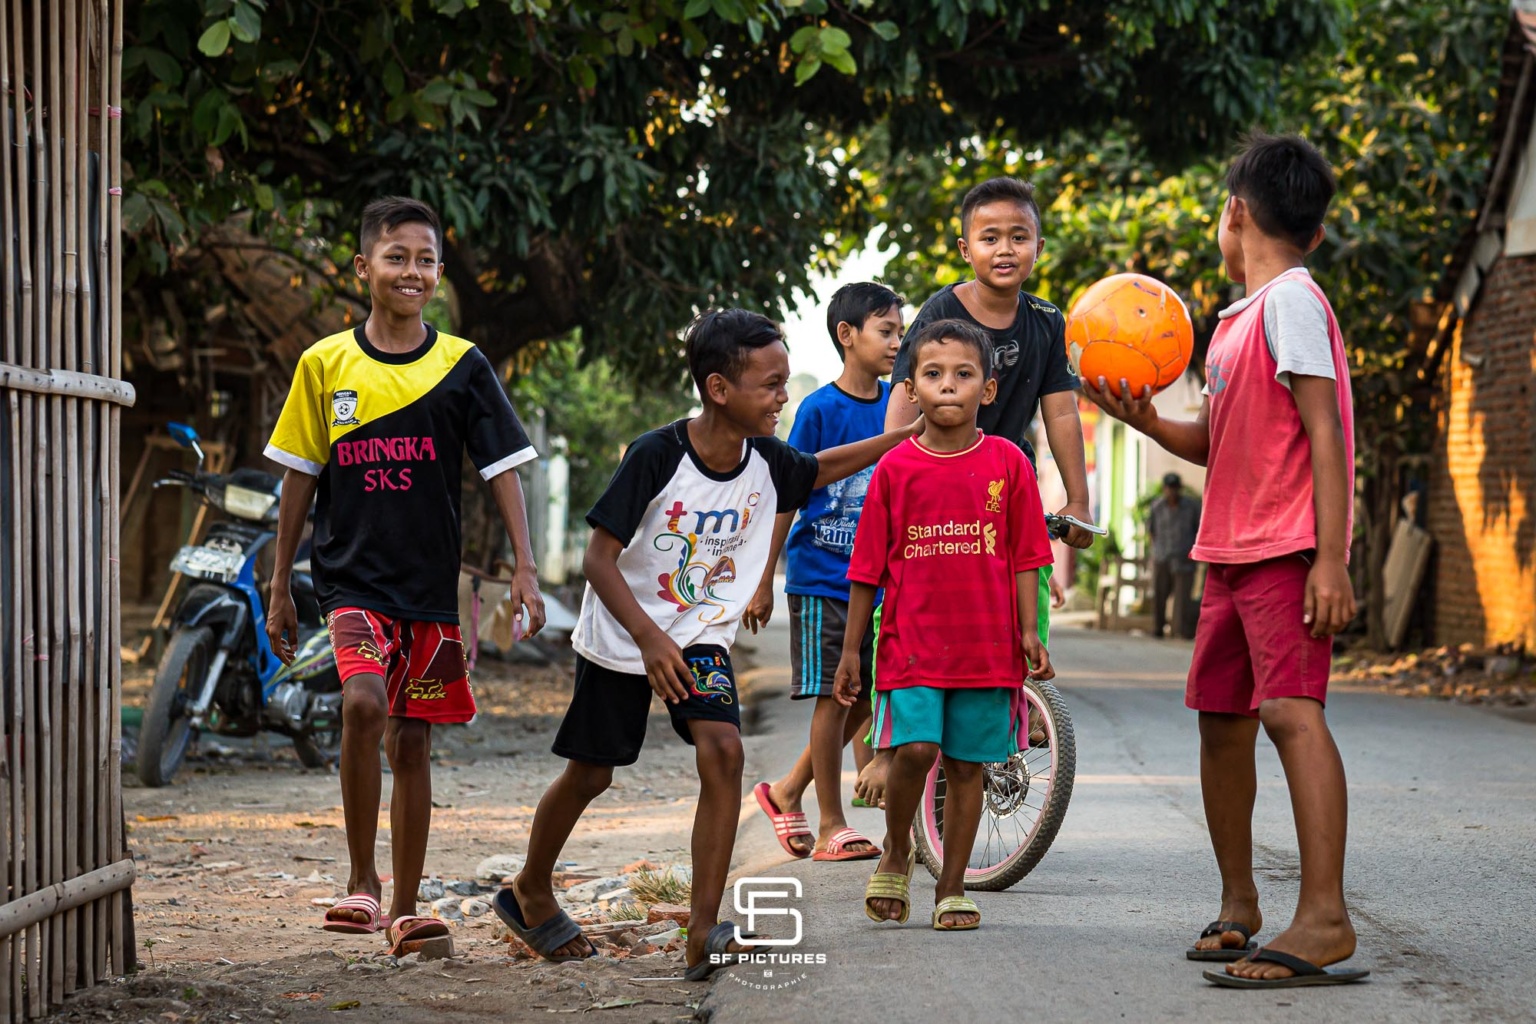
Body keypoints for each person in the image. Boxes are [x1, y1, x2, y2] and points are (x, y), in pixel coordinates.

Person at [501, 309, 922, 979]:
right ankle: (530, 887)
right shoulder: (657, 455)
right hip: (623, 634)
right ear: (720, 388)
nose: (783, 396)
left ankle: (704, 930)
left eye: (786, 382)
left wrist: (900, 438)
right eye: (771, 384)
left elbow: (816, 470)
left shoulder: (767, 460)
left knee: (723, 751)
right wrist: (647, 641)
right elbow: (599, 561)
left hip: (697, 637)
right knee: (593, 772)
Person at [1082, 132, 1368, 988]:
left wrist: (1330, 558)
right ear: (1314, 229)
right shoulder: (1237, 322)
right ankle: (1240, 902)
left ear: (1233, 213)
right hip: (1229, 550)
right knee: (1221, 724)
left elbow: (1328, 431)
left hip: (1285, 549)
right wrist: (1142, 421)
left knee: (1290, 714)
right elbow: (1215, 440)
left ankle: (1324, 918)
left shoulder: (1291, 301)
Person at [263, 196, 547, 954]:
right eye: (396, 257)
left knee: (413, 743)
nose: (411, 272)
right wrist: (279, 582)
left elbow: (503, 470)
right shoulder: (325, 364)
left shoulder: (462, 364)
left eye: (425, 260)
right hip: (350, 579)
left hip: (430, 588)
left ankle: (410, 906)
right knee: (362, 703)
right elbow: (298, 477)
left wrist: (524, 566)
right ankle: (363, 881)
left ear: (440, 273)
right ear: (364, 268)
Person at [859, 176, 1093, 807]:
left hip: (1001, 485)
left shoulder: (1046, 322)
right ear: (967, 248)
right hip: (935, 481)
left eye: (1019, 236)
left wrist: (1078, 499)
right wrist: (899, 469)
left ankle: (1015, 694)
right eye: (990, 237)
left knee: (1029, 581)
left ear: (1038, 247)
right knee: (904, 612)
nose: (1005, 249)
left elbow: (1062, 413)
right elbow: (904, 400)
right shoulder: (939, 314)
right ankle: (886, 745)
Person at [836, 318, 1054, 933]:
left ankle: (951, 887)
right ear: (912, 387)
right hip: (911, 644)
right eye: (933, 374)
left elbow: (1029, 555)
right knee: (917, 751)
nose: (948, 386)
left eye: (964, 374)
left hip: (989, 650)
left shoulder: (1009, 463)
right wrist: (853, 652)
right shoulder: (894, 469)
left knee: (965, 767)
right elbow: (867, 570)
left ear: (987, 390)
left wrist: (1030, 631)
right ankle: (898, 847)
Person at [747, 283, 901, 862]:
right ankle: (831, 820)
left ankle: (786, 791)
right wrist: (764, 581)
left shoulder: (898, 403)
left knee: (868, 692)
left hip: (877, 583)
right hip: (820, 578)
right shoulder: (817, 409)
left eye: (898, 333)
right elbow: (788, 495)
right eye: (885, 332)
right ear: (848, 335)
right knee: (833, 699)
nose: (895, 343)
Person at [1149, 471, 1202, 639]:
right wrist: (1156, 550)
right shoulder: (1157, 507)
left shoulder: (1192, 507)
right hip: (1162, 556)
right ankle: (1158, 628)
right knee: (1160, 594)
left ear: (1180, 489)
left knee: (1182, 598)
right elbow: (1152, 531)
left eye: (1175, 488)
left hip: (1183, 558)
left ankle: (1181, 631)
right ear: (1164, 489)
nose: (1172, 492)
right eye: (1169, 488)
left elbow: (1198, 529)